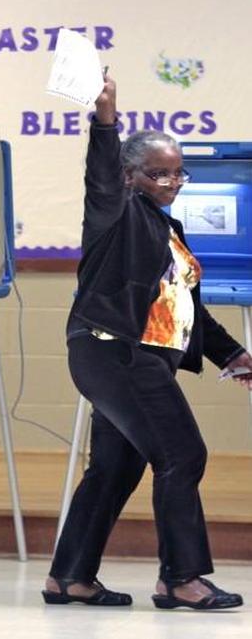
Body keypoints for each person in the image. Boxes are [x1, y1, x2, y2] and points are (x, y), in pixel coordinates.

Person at [45, 74, 247, 610]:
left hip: (133, 355)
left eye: (179, 172)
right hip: (116, 351)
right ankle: (181, 579)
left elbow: (187, 310)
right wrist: (106, 118)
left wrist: (233, 355)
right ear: (131, 177)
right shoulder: (115, 214)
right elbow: (101, 177)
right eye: (159, 173)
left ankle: (70, 577)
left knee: (116, 466)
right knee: (182, 455)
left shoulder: (165, 229)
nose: (173, 181)